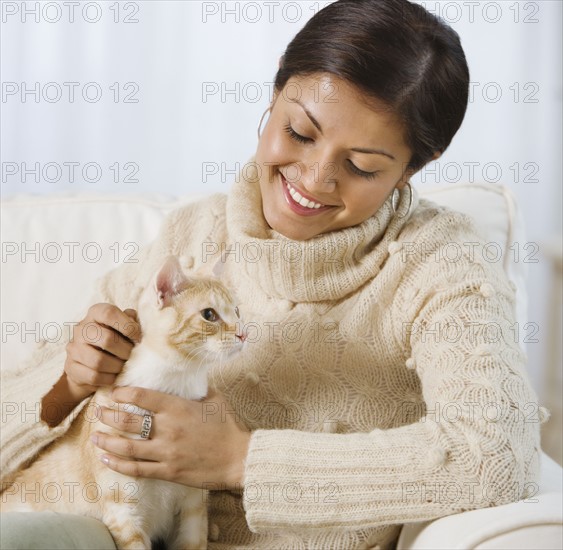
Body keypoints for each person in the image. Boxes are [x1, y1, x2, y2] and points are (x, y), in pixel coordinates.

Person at [1, 0, 543, 548]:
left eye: (360, 166)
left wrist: (241, 459)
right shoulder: (193, 236)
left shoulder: (442, 262)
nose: (314, 179)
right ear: (275, 93)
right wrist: (70, 385)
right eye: (300, 132)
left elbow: (497, 455)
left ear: (416, 166)